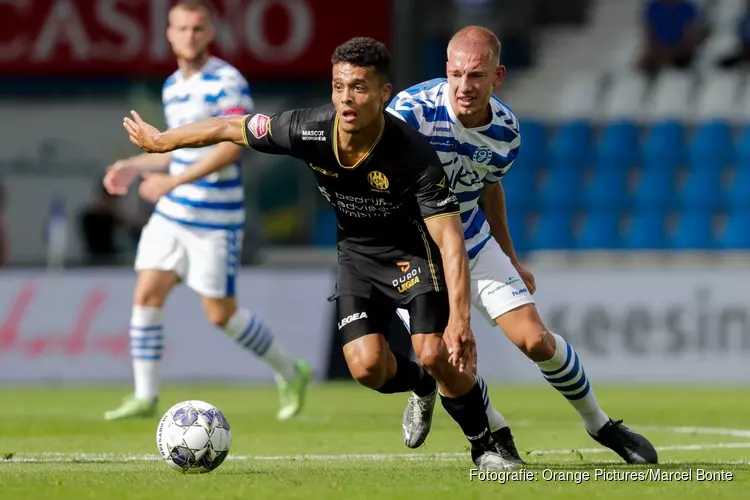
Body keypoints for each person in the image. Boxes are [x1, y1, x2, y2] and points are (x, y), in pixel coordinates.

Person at [122, 36, 518, 471]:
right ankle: (421, 385)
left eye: (360, 88)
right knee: (368, 368)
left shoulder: (413, 155)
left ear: (385, 94)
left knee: (434, 351)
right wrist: (165, 141)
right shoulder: (307, 129)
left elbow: (450, 240)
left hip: (413, 255)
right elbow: (227, 127)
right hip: (357, 258)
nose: (347, 99)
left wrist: (460, 319)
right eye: (338, 86)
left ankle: (485, 447)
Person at [388, 26, 658, 465]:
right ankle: (495, 433)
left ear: (498, 76)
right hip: (412, 251)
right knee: (439, 355)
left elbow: (489, 189)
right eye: (456, 74)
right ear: (446, 70)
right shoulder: (409, 113)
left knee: (535, 341)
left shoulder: (506, 131)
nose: (464, 86)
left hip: (472, 242)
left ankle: (602, 425)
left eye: (476, 76)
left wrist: (511, 257)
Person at [101, 0, 310, 422]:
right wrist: (132, 165)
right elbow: (175, 152)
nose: (190, 35)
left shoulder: (226, 81)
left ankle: (291, 371)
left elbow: (233, 146)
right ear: (169, 33)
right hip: (174, 214)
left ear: (210, 31)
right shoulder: (172, 86)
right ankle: (145, 396)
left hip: (216, 218)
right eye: (182, 28)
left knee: (221, 314)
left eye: (198, 28)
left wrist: (172, 182)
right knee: (147, 292)